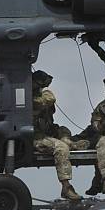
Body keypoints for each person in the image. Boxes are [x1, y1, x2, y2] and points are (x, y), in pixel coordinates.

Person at [32, 70, 80, 201]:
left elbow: (49, 98)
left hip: (48, 132)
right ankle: (66, 187)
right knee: (61, 148)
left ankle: (71, 143)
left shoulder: (41, 95)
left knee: (64, 132)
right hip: (34, 137)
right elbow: (44, 100)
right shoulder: (24, 99)